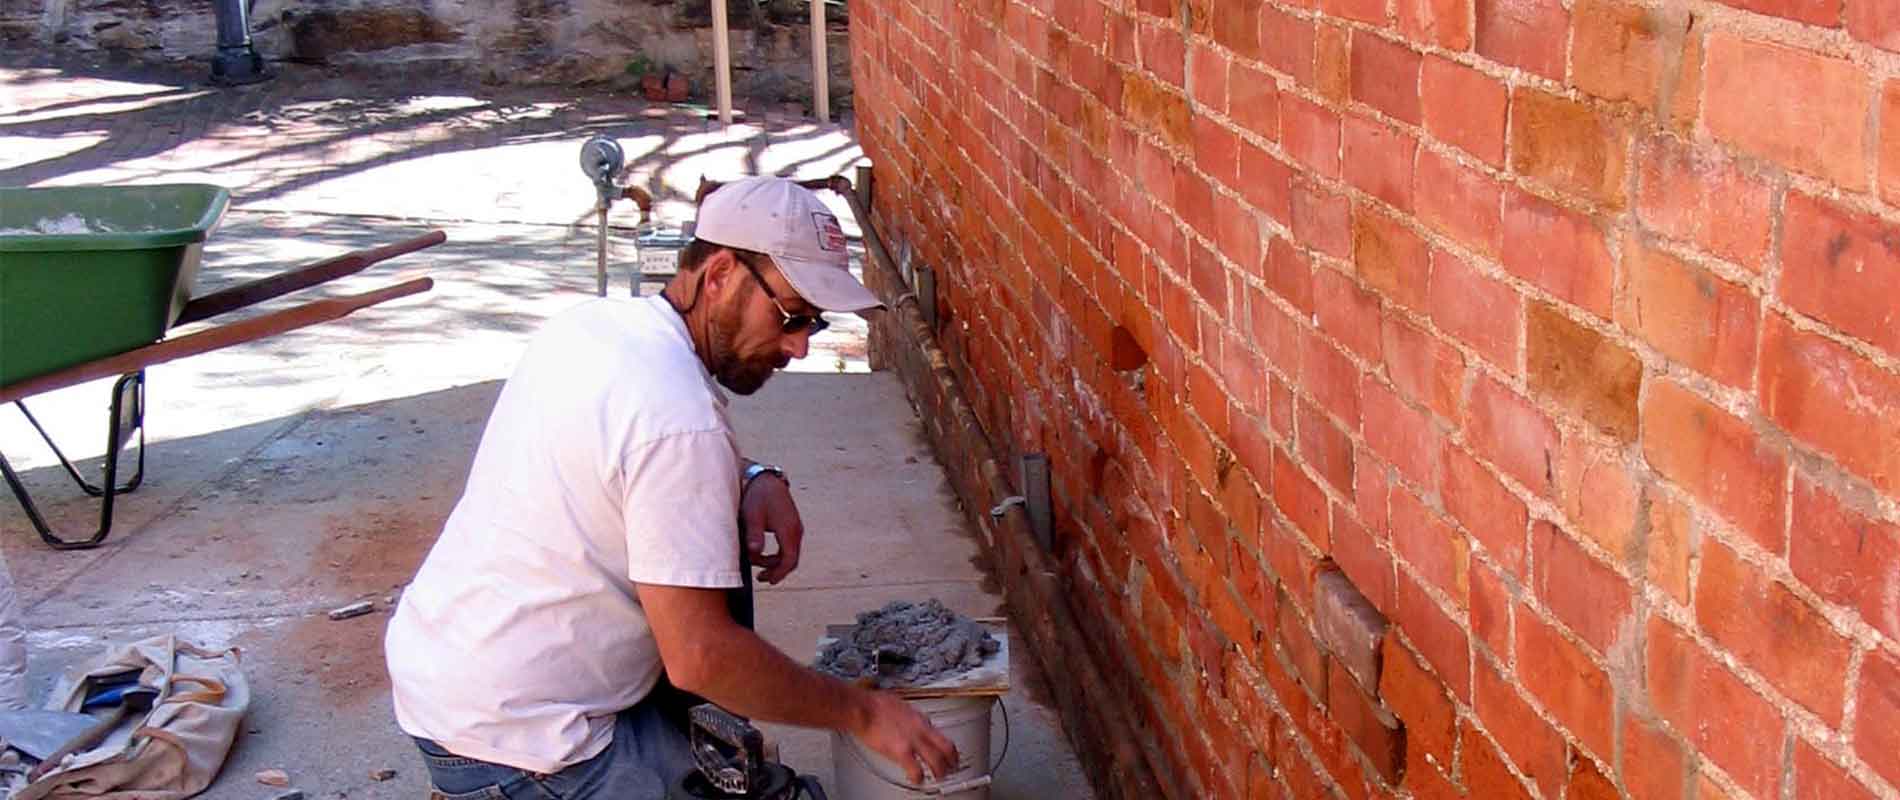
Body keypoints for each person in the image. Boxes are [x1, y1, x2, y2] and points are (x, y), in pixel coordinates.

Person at [383, 176, 957, 799]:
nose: (796, 346)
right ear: (718, 276)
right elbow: (701, 655)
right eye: (790, 315)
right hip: (519, 745)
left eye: (812, 325)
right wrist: (864, 712)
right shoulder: (680, 422)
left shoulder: (599, 325)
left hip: (449, 678)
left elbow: (628, 457)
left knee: (719, 527)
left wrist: (751, 476)